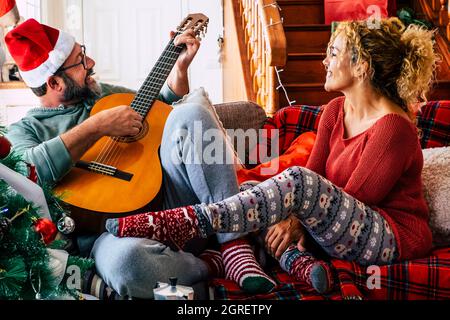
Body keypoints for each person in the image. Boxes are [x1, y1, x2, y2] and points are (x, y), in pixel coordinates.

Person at [105, 17, 438, 294]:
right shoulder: (336, 110)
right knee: (254, 194)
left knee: (295, 184)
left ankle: (190, 221)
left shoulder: (393, 128)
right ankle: (283, 261)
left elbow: (353, 197)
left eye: (333, 53)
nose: (324, 61)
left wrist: (294, 220)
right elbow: (317, 173)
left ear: (361, 65)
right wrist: (285, 217)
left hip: (388, 236)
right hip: (333, 226)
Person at [4, 18, 283, 298]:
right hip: (107, 235)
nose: (91, 61)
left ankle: (236, 246)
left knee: (191, 112)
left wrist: (180, 68)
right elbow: (27, 170)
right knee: (127, 265)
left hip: (171, 206)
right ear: (54, 82)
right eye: (79, 60)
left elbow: (161, 104)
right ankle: (213, 263)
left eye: (83, 52)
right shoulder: (25, 129)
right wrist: (97, 126)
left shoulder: (102, 94)